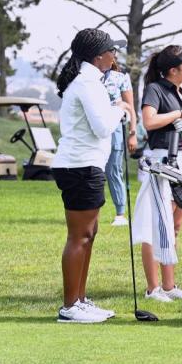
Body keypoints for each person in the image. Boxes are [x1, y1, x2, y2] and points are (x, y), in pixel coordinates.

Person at [52, 28, 132, 323]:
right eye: (112, 50)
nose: (115, 56)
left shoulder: (90, 80)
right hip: (79, 166)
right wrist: (120, 108)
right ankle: (70, 307)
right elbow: (102, 127)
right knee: (80, 236)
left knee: (90, 233)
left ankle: (80, 300)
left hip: (85, 166)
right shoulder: (87, 83)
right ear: (99, 56)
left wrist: (115, 107)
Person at [132, 45, 182, 302]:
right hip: (160, 162)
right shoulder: (155, 89)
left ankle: (170, 286)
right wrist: (178, 115)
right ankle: (153, 288)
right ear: (173, 70)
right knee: (156, 225)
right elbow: (149, 122)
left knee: (175, 226)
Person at [103, 59, 138, 226]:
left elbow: (130, 107)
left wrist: (133, 133)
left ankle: (120, 213)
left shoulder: (121, 77)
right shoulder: (88, 78)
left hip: (116, 130)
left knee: (113, 170)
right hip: (94, 128)